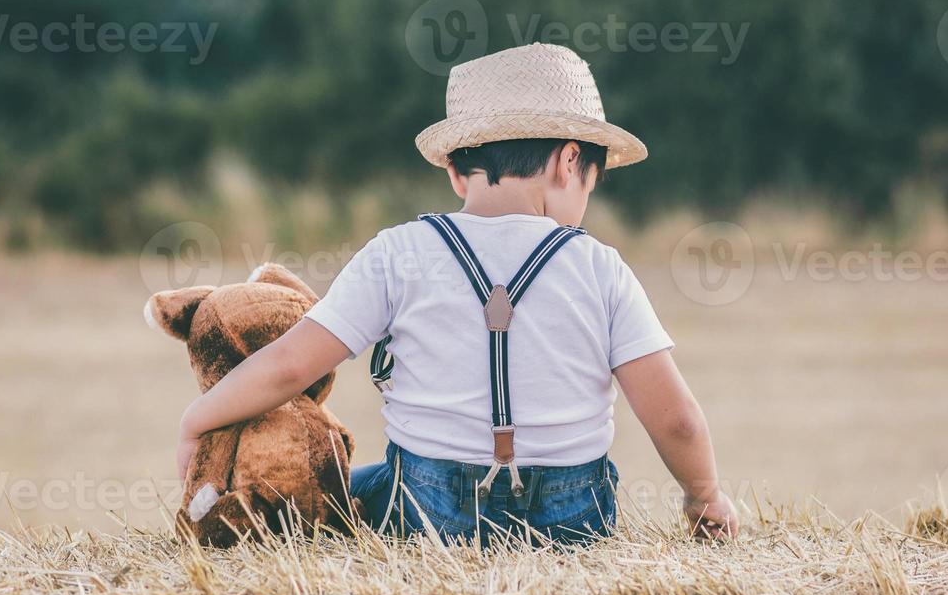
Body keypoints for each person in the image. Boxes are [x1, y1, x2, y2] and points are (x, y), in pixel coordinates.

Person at [174, 43, 738, 546]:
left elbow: (287, 367)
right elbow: (676, 420)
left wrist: (198, 420)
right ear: (571, 162)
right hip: (574, 517)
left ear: (455, 171)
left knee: (340, 490)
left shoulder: (398, 253)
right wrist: (703, 496)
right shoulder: (601, 268)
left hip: (428, 508)